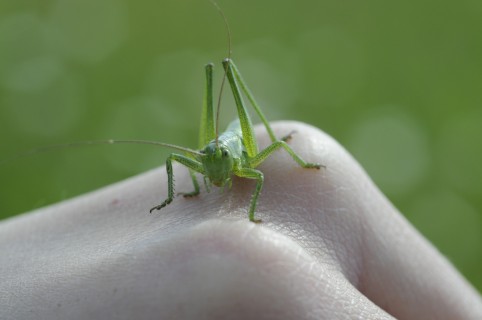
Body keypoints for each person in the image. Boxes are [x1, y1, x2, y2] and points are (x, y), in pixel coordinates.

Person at [1, 121, 481, 319]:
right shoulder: (197, 160)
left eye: (209, 167)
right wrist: (185, 192)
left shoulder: (248, 164)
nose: (212, 174)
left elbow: (270, 166)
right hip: (219, 145)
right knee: (184, 158)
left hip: (245, 143)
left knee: (288, 143)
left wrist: (253, 212)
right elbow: (172, 164)